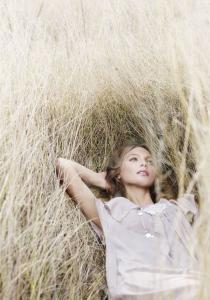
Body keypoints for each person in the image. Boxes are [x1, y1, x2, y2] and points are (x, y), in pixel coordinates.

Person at [55, 142, 201, 300]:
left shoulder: (179, 207)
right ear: (118, 174)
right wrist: (98, 179)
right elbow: (64, 165)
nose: (144, 163)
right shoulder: (111, 212)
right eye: (133, 159)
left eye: (149, 161)